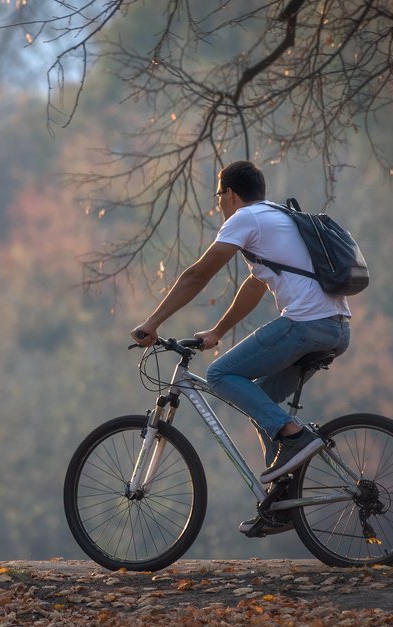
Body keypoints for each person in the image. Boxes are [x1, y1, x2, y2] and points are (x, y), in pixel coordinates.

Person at [130, 160, 351, 535]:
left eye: (219, 196)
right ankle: (282, 501)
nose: (219, 204)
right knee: (260, 400)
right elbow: (256, 284)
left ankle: (295, 438)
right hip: (336, 328)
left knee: (219, 374)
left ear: (230, 194)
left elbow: (198, 274)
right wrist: (217, 330)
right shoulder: (275, 217)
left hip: (306, 325)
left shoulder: (245, 219)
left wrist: (152, 323)